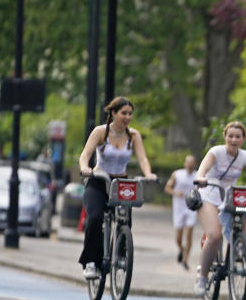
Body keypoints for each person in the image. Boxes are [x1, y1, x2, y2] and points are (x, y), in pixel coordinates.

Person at [77, 96, 158, 279]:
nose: (127, 117)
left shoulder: (133, 135)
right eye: (124, 113)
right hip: (99, 179)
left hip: (121, 182)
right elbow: (85, 154)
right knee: (95, 218)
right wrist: (84, 168)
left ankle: (120, 255)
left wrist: (148, 174)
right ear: (113, 113)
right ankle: (91, 262)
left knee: (125, 220)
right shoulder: (101, 132)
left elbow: (143, 158)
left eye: (130, 114)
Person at [193, 121, 246, 295]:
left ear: (243, 139)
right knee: (214, 236)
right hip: (209, 194)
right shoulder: (216, 152)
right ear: (225, 137)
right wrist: (200, 177)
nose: (234, 140)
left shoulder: (245, 156)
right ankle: (202, 277)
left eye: (238, 136)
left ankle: (238, 246)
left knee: (245, 212)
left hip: (228, 196)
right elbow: (202, 169)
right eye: (230, 136)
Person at [164, 154, 198, 271]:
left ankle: (185, 260)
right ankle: (182, 250)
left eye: (192, 162)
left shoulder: (198, 175)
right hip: (179, 208)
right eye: (188, 162)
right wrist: (175, 193)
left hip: (191, 208)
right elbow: (167, 188)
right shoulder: (177, 174)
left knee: (189, 234)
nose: (190, 164)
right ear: (185, 163)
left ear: (194, 164)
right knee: (178, 238)